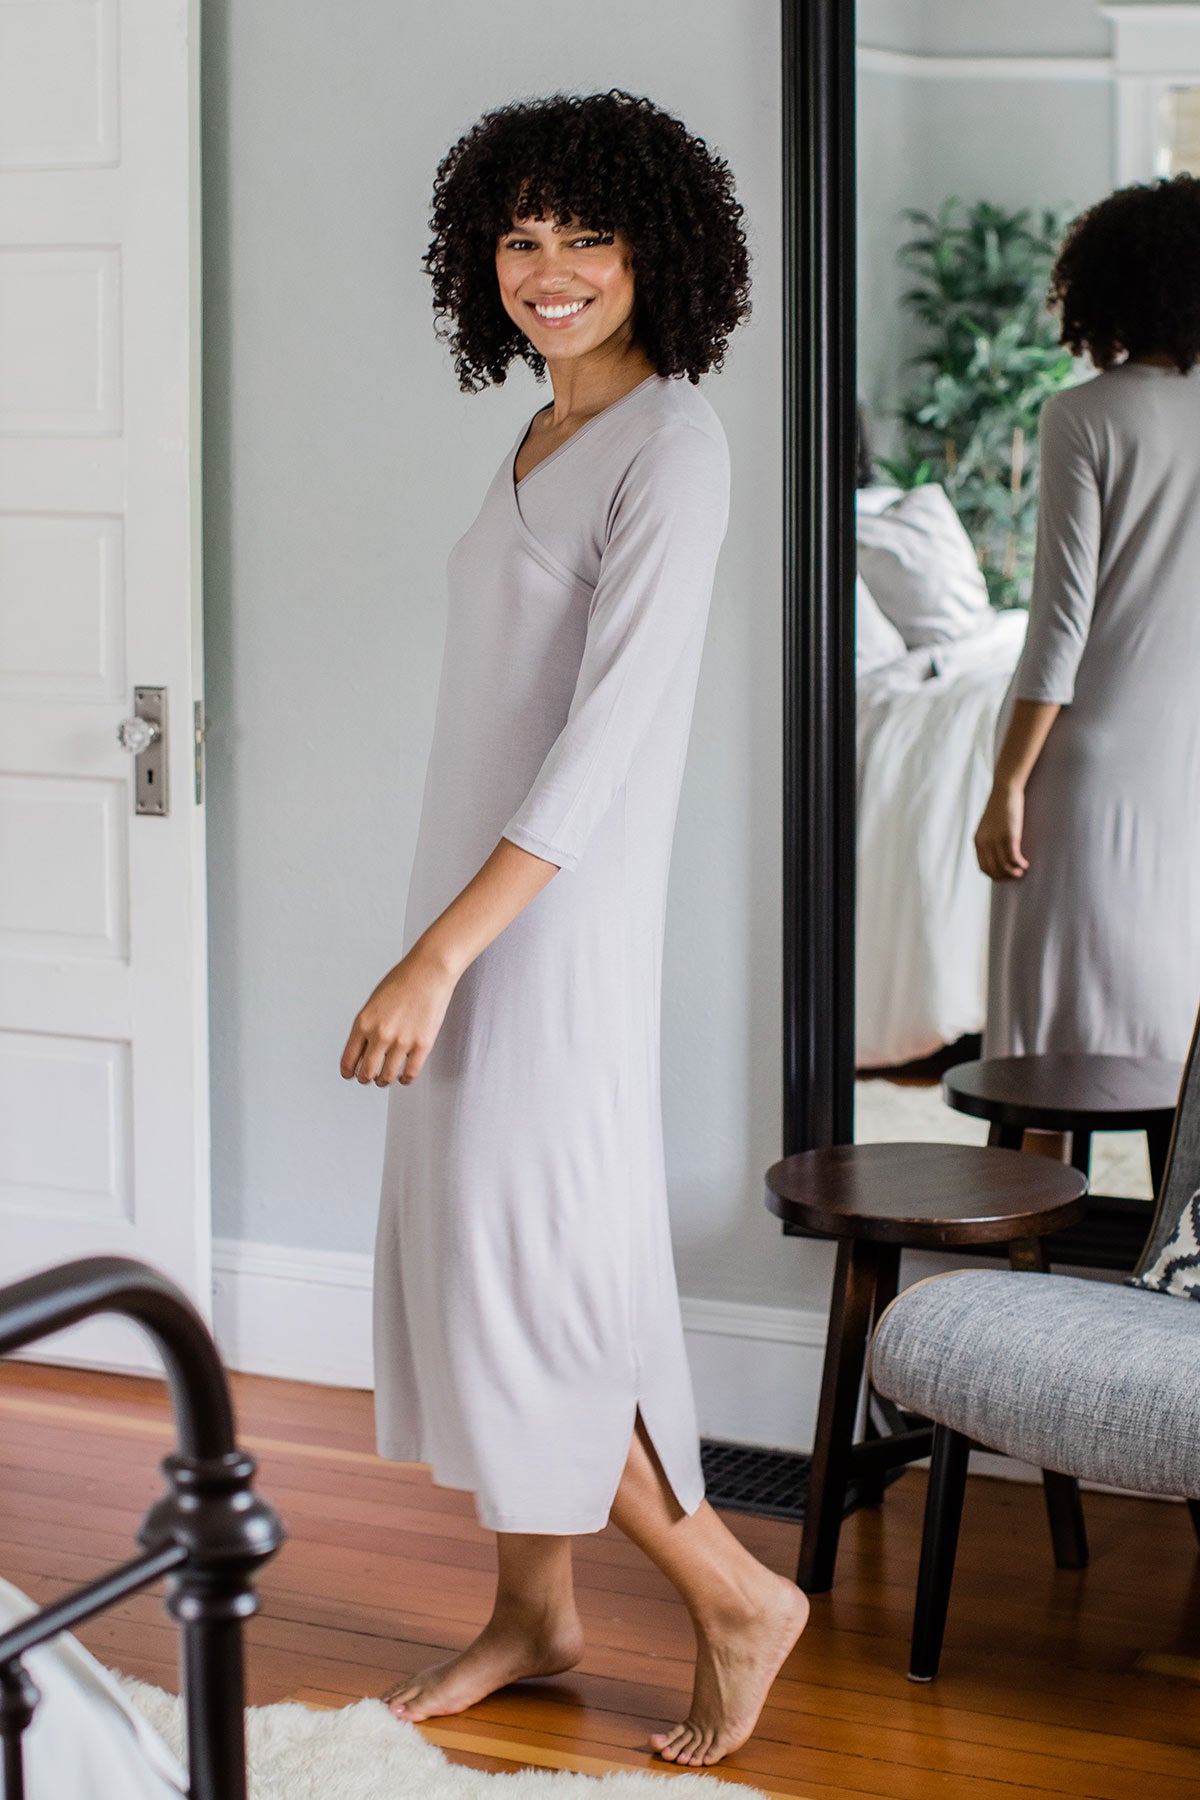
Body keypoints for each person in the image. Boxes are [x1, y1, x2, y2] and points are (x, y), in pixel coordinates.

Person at [339, 90, 808, 1767]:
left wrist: (441, 954)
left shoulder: (675, 444)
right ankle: (534, 1613)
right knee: (482, 1261)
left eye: (586, 236)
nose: (548, 268)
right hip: (479, 906)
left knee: (531, 1278)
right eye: (520, 237)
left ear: (654, 250)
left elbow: (603, 745)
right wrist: (439, 933)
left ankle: (735, 1595)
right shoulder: (548, 428)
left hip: (540, 928)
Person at [976, 174, 1200, 1060]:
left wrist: (1007, 783)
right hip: (1182, 764)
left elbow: (1058, 628)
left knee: (1046, 1046)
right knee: (1166, 1049)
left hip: (1083, 772)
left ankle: (1038, 1158)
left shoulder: (1082, 415)